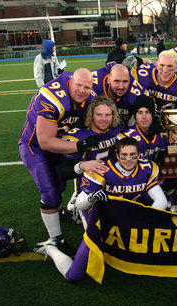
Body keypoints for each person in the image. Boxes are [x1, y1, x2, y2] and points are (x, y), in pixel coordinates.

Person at [33, 137, 168, 283]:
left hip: (124, 218)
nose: (128, 159)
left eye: (133, 155)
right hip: (97, 219)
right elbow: (79, 203)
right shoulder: (103, 170)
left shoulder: (147, 168)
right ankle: (50, 248)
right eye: (124, 155)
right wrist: (91, 198)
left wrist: (142, 220)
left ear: (139, 155)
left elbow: (161, 201)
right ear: (117, 155)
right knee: (74, 276)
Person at [19, 68, 101, 256]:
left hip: (61, 141)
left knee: (60, 182)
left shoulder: (90, 97)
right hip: (35, 146)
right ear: (70, 82)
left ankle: (59, 211)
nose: (82, 90)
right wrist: (80, 146)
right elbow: (45, 141)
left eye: (87, 87)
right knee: (50, 191)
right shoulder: (53, 98)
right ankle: (55, 238)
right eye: (79, 85)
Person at [61, 96, 124, 228]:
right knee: (95, 232)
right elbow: (63, 172)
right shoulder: (79, 136)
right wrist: (82, 165)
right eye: (99, 115)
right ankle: (77, 203)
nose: (104, 119)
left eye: (108, 115)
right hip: (89, 189)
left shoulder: (117, 129)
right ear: (91, 115)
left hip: (114, 185)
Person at [117, 95, 168, 162]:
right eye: (140, 113)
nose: (144, 117)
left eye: (147, 112)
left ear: (152, 115)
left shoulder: (162, 133)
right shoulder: (125, 137)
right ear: (135, 116)